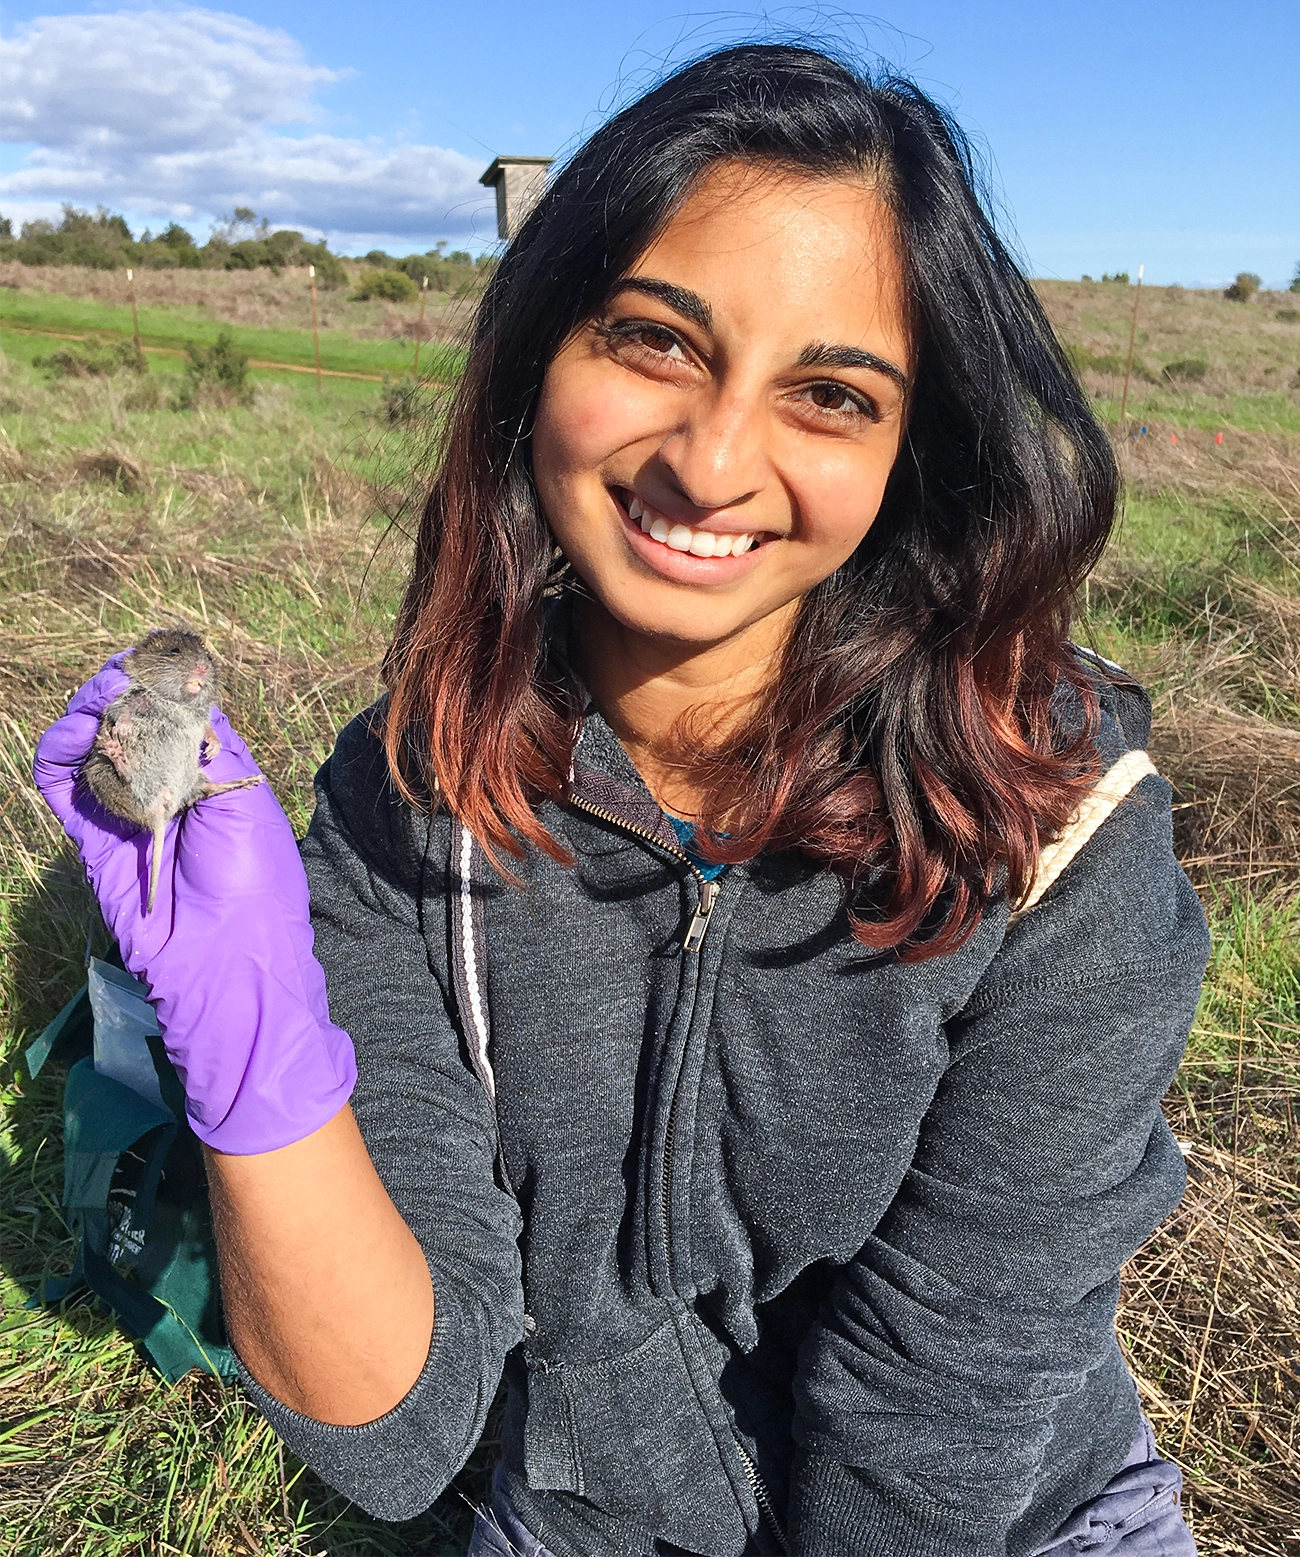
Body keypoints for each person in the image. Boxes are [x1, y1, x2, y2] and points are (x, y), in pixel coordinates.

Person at [37, 44, 1209, 1557]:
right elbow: (401, 1434)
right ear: (542, 357)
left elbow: (953, 1391)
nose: (715, 462)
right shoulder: (411, 805)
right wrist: (254, 1040)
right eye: (655, 342)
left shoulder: (1057, 824)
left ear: (913, 453)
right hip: (592, 1518)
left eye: (832, 394)